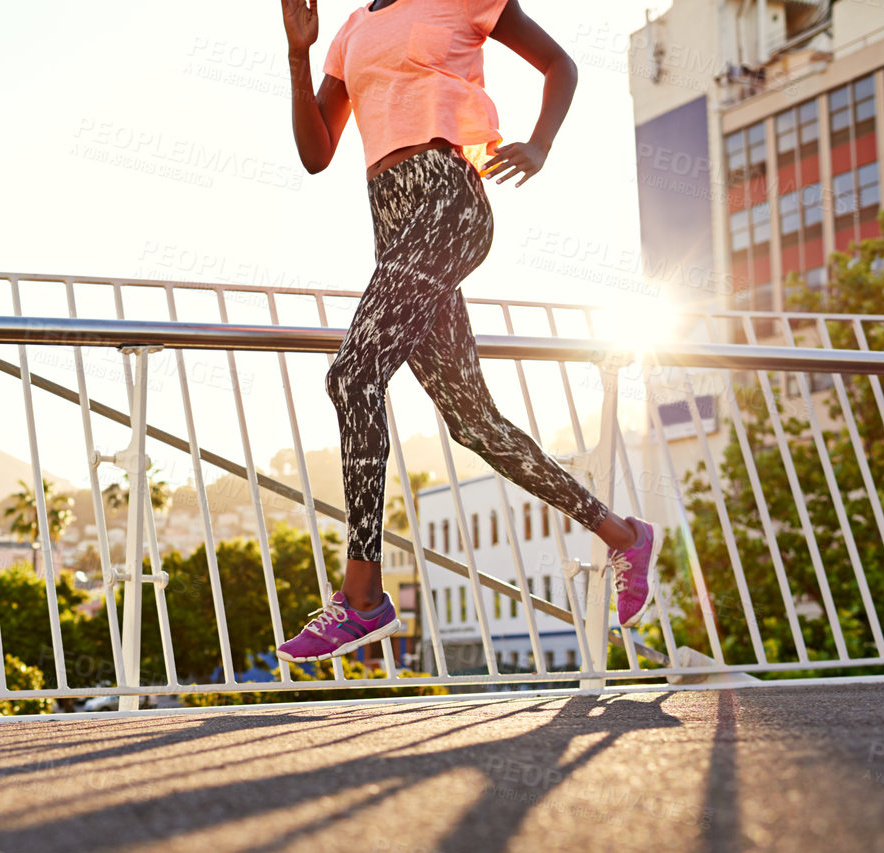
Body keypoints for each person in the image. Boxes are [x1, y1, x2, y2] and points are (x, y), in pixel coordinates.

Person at [273, 0, 661, 664]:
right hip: (393, 227)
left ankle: (362, 596)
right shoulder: (348, 33)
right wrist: (299, 52)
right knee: (473, 422)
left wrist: (538, 145)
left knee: (351, 374)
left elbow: (559, 65)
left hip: (450, 200)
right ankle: (623, 533)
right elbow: (316, 155)